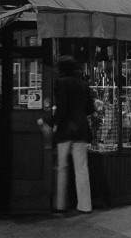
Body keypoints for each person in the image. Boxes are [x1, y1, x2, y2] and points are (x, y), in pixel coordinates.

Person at [52, 56, 95, 213]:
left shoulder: (60, 83)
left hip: (65, 129)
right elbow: (90, 109)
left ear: (62, 69)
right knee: (81, 168)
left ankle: (60, 204)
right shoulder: (84, 84)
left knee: (62, 167)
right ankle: (85, 206)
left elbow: (61, 108)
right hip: (81, 129)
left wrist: (52, 122)